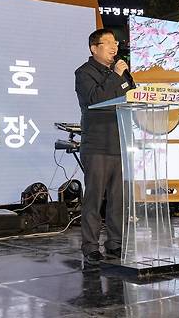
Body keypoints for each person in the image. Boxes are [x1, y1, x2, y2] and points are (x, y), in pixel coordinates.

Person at [75, 29, 136, 264]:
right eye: (108, 43)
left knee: (118, 198)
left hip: (120, 142)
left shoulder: (121, 73)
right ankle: (90, 245)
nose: (114, 47)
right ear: (94, 48)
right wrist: (116, 75)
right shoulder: (84, 73)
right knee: (94, 198)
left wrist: (123, 77)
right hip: (97, 145)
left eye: (115, 43)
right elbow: (96, 99)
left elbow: (130, 96)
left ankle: (115, 243)